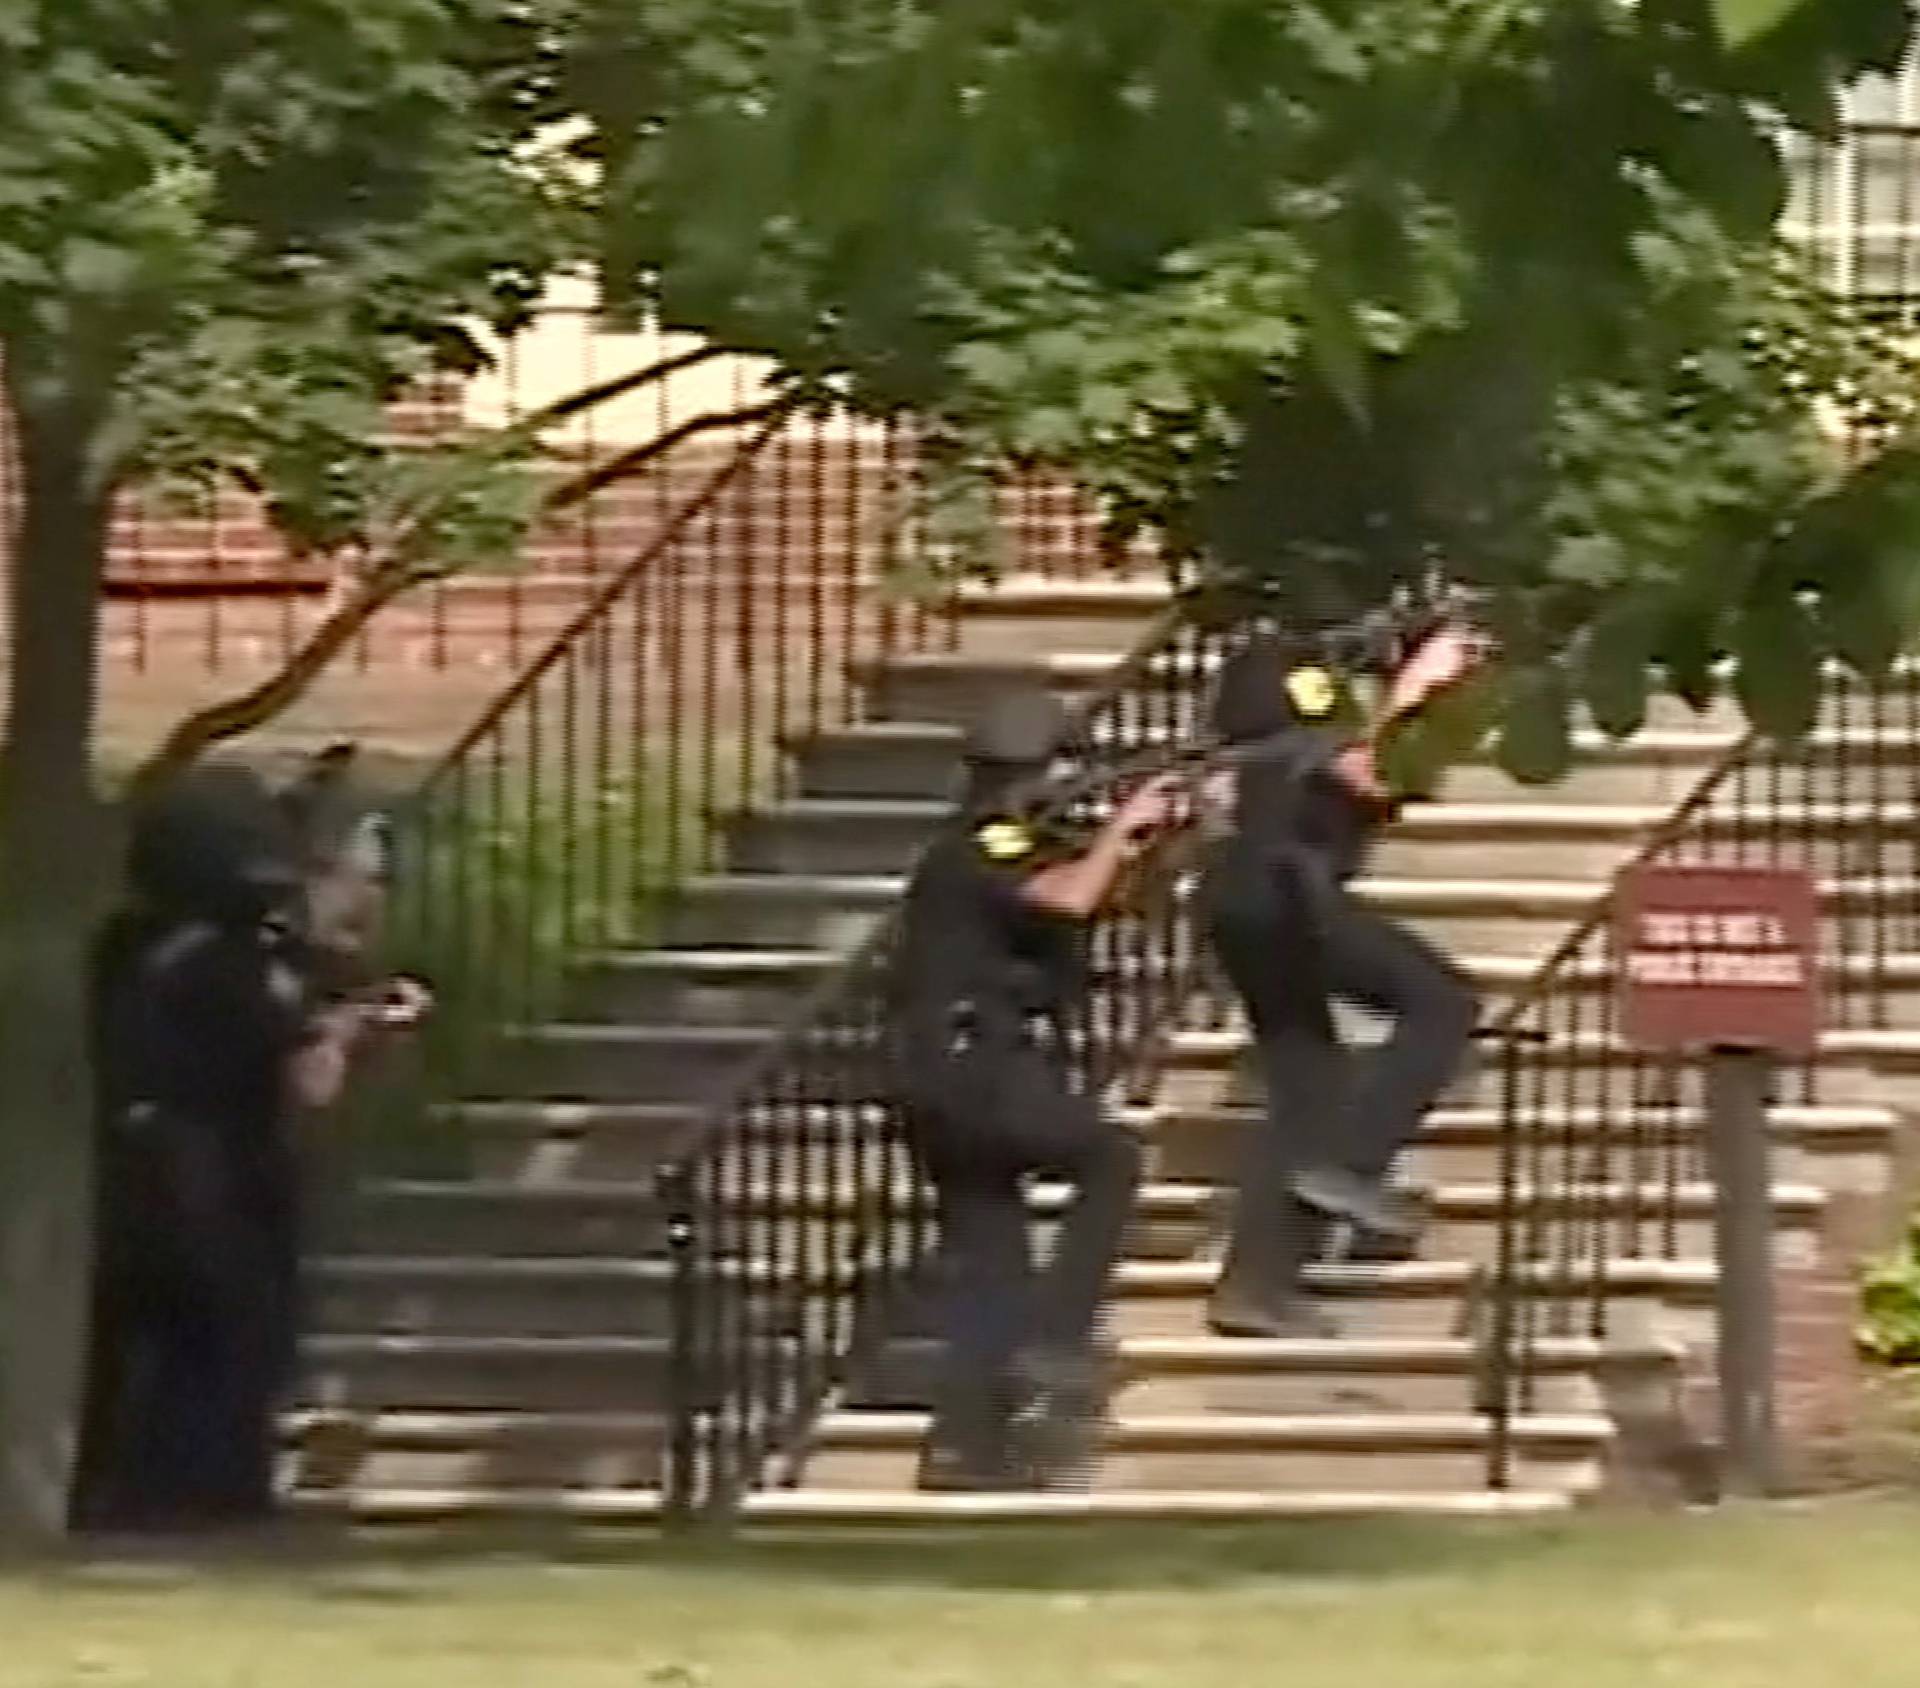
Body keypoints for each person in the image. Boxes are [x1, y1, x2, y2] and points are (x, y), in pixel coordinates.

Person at [71, 756, 424, 1535]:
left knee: (132, 1348)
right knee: (230, 1345)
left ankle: (117, 1490)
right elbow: (308, 1082)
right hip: (218, 1183)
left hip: (119, 1173)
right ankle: (205, 1500)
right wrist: (351, 1028)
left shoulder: (123, 948)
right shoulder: (238, 965)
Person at [889, 691, 1179, 1492]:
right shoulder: (986, 836)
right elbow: (1072, 897)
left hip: (942, 1070)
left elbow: (1101, 900)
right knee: (1110, 1156)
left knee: (993, 1262)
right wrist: (1120, 828)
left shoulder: (998, 845)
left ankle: (965, 1447)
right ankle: (1057, 1335)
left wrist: (1148, 840)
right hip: (973, 1059)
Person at [1197, 624, 1482, 1339]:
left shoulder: (1264, 677)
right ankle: (1352, 1165)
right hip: (1282, 887)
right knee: (1441, 1000)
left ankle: (1254, 1285)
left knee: (1307, 1085)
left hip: (1242, 895)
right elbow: (1360, 768)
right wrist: (1418, 687)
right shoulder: (1284, 671)